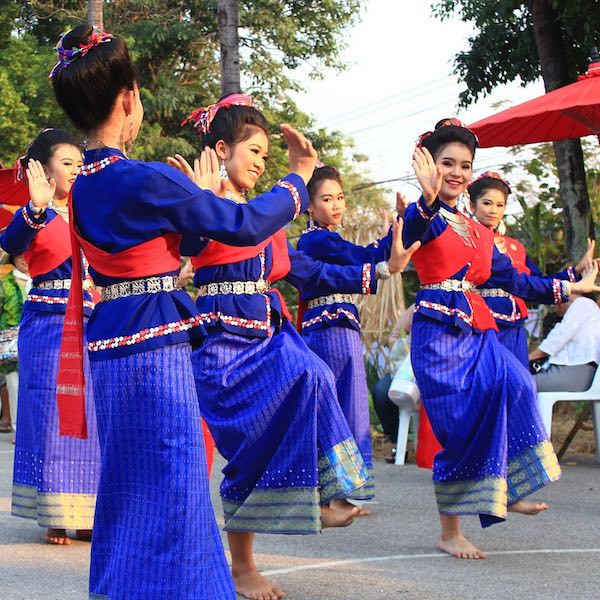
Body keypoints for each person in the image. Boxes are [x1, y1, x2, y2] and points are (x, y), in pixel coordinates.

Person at [51, 24, 319, 600]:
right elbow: (244, 225)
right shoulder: (141, 178)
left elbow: (172, 252)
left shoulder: (84, 186)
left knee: (128, 491)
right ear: (128, 101)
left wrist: (196, 202)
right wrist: (297, 180)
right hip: (155, 350)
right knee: (177, 491)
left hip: (111, 351)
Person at [174, 95, 418, 600]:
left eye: (267, 154)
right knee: (246, 449)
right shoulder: (202, 197)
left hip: (268, 332)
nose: (262, 162)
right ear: (221, 149)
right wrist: (199, 200)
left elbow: (317, 266)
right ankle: (241, 566)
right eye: (254, 150)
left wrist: (413, 221)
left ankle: (329, 494)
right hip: (222, 339)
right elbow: (186, 250)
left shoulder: (264, 214)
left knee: (315, 376)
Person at [403, 118, 600, 560]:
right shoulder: (427, 215)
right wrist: (426, 199)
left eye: (464, 164)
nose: (456, 171)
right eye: (446, 162)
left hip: (478, 330)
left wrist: (572, 286)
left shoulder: (479, 233)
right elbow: (412, 233)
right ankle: (450, 531)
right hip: (437, 334)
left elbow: (517, 280)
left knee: (516, 383)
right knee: (456, 426)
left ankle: (510, 486)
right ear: (430, 165)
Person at [0, 129, 101, 545]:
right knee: (51, 413)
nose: (76, 171)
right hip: (47, 323)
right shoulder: (32, 215)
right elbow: (9, 243)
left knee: (89, 415)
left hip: (91, 322)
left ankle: (88, 510)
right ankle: (55, 515)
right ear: (43, 171)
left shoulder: (91, 215)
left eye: (80, 164)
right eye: (67, 164)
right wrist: (35, 208)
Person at [296, 165, 399, 512]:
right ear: (309, 206)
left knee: (344, 405)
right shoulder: (318, 240)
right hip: (331, 330)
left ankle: (337, 492)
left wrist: (391, 237)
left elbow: (363, 257)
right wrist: (392, 238)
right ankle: (335, 493)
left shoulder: (324, 239)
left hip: (336, 326)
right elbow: (362, 258)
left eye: (340, 197)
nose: (336, 205)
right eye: (327, 199)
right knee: (343, 405)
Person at [467, 170, 593, 366]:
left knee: (517, 385)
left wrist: (576, 270)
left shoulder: (514, 246)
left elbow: (537, 281)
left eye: (500, 205)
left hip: (515, 327)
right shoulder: (468, 241)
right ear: (472, 205)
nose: (493, 210)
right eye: (487, 203)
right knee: (488, 384)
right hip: (481, 325)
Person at [529, 291, 600, 392]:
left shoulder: (582, 303)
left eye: (557, 300)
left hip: (575, 372)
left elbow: (559, 338)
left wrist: (526, 359)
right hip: (580, 373)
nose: (555, 306)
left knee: (519, 384)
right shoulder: (591, 308)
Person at [0, 253, 24, 433]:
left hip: (34, 338)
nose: (23, 259)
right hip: (9, 342)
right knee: (13, 383)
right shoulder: (5, 283)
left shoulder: (41, 279)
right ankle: (18, 427)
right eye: (19, 256)